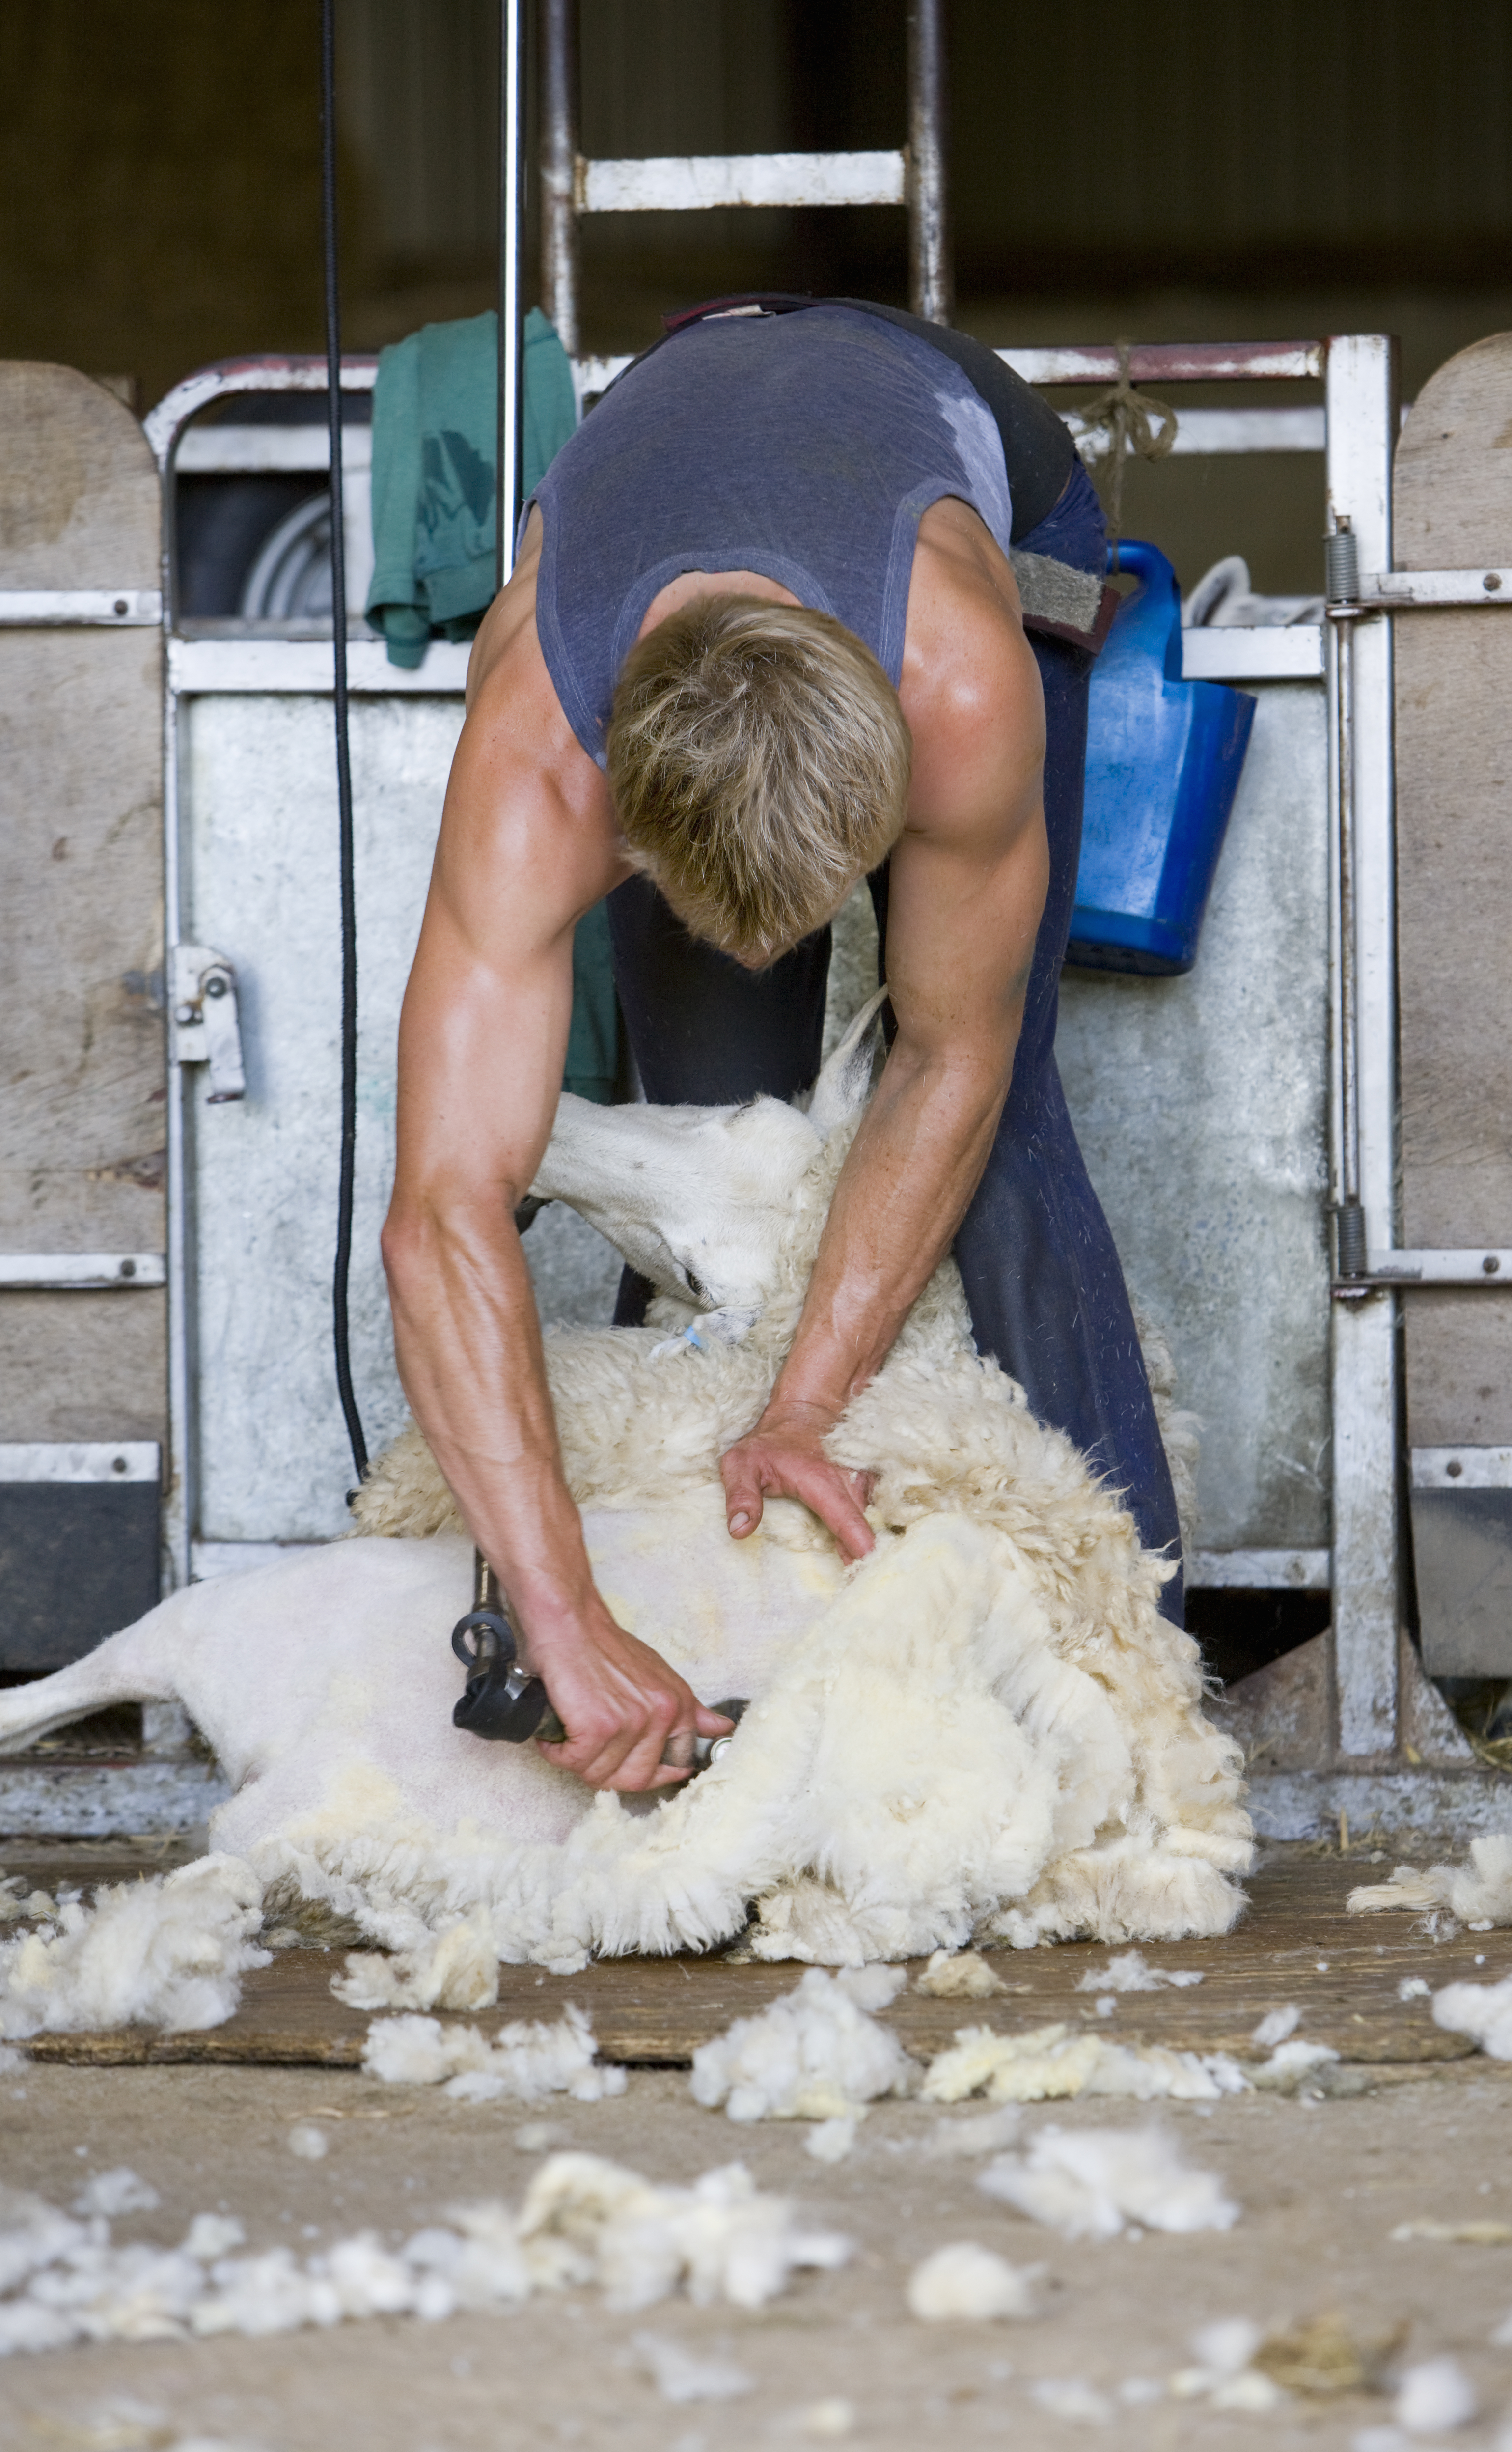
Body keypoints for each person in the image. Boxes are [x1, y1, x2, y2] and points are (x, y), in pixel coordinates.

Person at [383, 297, 1181, 1802]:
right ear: (625, 821)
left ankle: (1136, 1691)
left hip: (941, 421)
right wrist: (553, 1612)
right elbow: (441, 1213)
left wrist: (810, 1403)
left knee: (1003, 1144)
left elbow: (948, 1057)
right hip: (685, 426)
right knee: (706, 1115)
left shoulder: (958, 685)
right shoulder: (536, 757)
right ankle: (665, 1658)